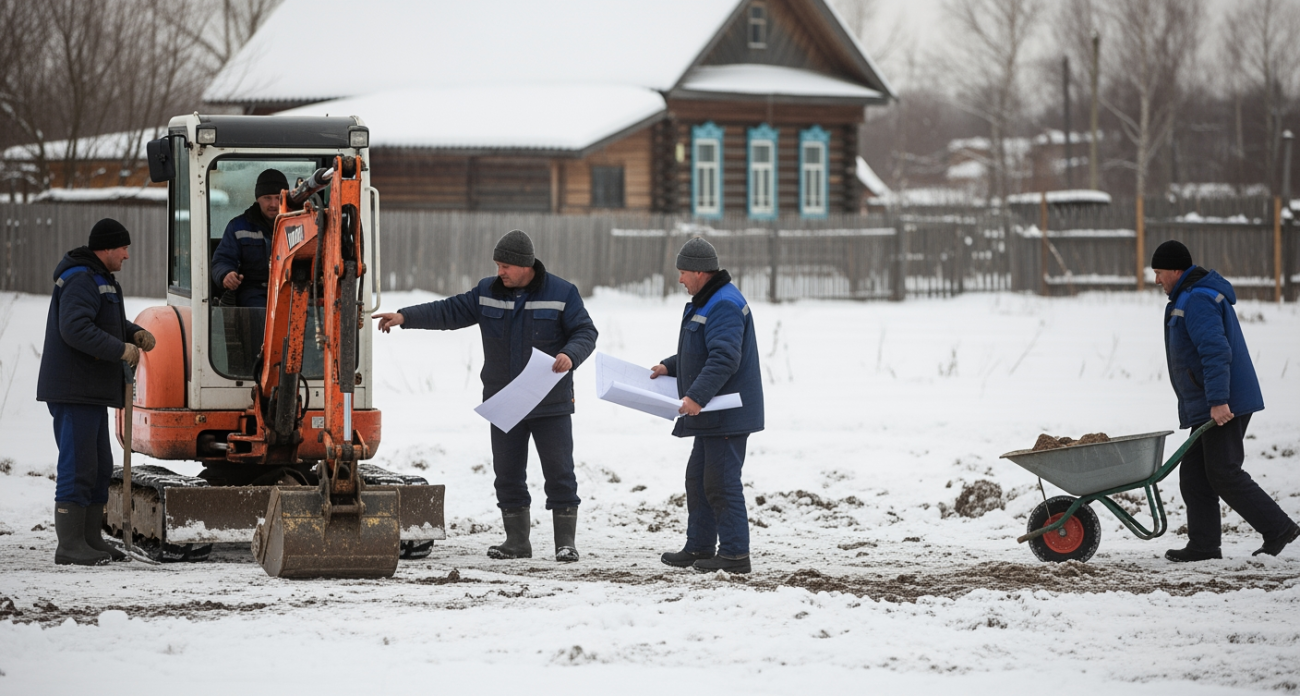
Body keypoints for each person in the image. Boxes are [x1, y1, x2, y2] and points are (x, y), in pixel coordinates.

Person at [372, 230, 598, 562]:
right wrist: (406, 317)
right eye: (497, 265)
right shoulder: (486, 292)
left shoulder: (562, 293)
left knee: (560, 472)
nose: (500, 272)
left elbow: (586, 331)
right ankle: (517, 543)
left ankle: (566, 543)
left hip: (551, 403)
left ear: (525, 266)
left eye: (506, 266)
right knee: (507, 474)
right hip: (504, 402)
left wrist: (571, 354)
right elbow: (448, 311)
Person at [1153, 240, 1299, 562]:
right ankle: (1204, 545)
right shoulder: (1190, 296)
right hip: (1210, 402)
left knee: (1223, 472)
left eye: (1159, 272)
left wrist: (1218, 401)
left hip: (1224, 402)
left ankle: (1278, 528)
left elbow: (1216, 352)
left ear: (1176, 270)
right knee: (1194, 476)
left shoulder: (1197, 300)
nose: (1157, 280)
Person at [36, 218, 155, 566]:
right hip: (74, 389)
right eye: (123, 248)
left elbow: (103, 322)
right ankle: (69, 545)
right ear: (105, 248)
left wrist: (131, 333)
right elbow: (74, 328)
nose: (127, 255)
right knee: (79, 465)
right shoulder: (80, 279)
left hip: (89, 390)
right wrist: (119, 350)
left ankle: (90, 538)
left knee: (99, 465)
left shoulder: (99, 278)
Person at [650, 237, 764, 574]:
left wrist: (696, 397)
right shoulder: (707, 300)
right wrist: (670, 366)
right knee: (698, 479)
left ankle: (734, 555)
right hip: (713, 414)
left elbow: (725, 357)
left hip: (726, 414)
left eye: (683, 272)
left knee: (720, 483)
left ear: (700, 272)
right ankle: (700, 547)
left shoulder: (723, 304)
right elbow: (701, 349)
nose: (680, 279)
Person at [211, 168, 287, 307]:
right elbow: (222, 260)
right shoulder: (238, 227)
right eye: (267, 198)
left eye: (278, 198)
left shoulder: (300, 224)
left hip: (292, 289)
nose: (273, 204)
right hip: (253, 293)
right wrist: (226, 275)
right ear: (258, 199)